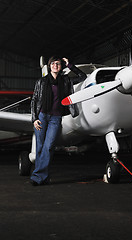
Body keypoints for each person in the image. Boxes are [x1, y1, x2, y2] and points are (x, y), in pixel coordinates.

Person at [30, 56, 87, 186]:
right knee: (39, 148)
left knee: (49, 147)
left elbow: (83, 77)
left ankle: (37, 177)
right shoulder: (41, 81)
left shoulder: (66, 80)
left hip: (56, 118)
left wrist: (70, 65)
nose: (56, 65)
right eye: (53, 63)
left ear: (61, 66)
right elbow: (34, 100)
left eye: (58, 64)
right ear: (49, 66)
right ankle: (42, 177)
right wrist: (35, 119)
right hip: (42, 117)